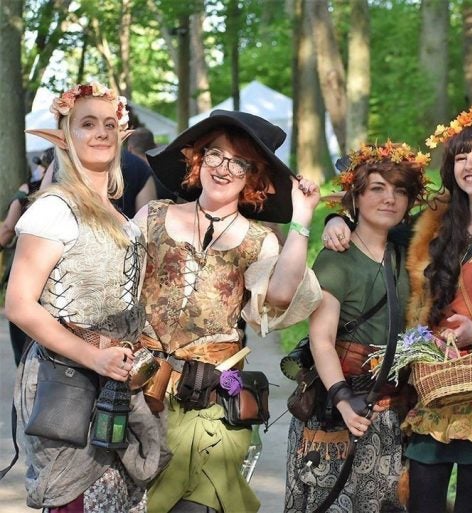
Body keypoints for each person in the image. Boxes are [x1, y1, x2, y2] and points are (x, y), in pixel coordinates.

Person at [323, 108, 472, 512]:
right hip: (426, 388)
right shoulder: (428, 227)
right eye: (460, 156)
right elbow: (374, 222)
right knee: (421, 499)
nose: (470, 164)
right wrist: (337, 218)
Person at [136, 109, 323, 513]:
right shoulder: (152, 216)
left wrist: (302, 219)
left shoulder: (258, 241)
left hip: (208, 401)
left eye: (239, 162)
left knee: (199, 504)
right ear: (198, 159)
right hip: (139, 393)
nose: (224, 168)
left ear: (252, 177)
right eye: (216, 155)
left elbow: (280, 294)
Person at [6, 81, 165, 512]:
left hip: (116, 385)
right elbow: (19, 303)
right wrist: (92, 355)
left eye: (109, 124)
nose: (100, 133)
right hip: (66, 385)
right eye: (87, 124)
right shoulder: (54, 208)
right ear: (66, 137)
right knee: (74, 501)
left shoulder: (120, 215)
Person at [285, 141, 430, 512]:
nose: (390, 199)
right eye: (377, 189)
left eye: (399, 191)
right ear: (357, 197)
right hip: (337, 409)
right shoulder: (337, 259)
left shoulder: (408, 254)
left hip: (390, 412)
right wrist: (342, 399)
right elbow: (321, 340)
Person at [2, 147, 54, 365]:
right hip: (53, 287)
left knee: (24, 357)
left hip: (29, 276)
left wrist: (20, 195)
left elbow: (7, 228)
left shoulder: (29, 193)